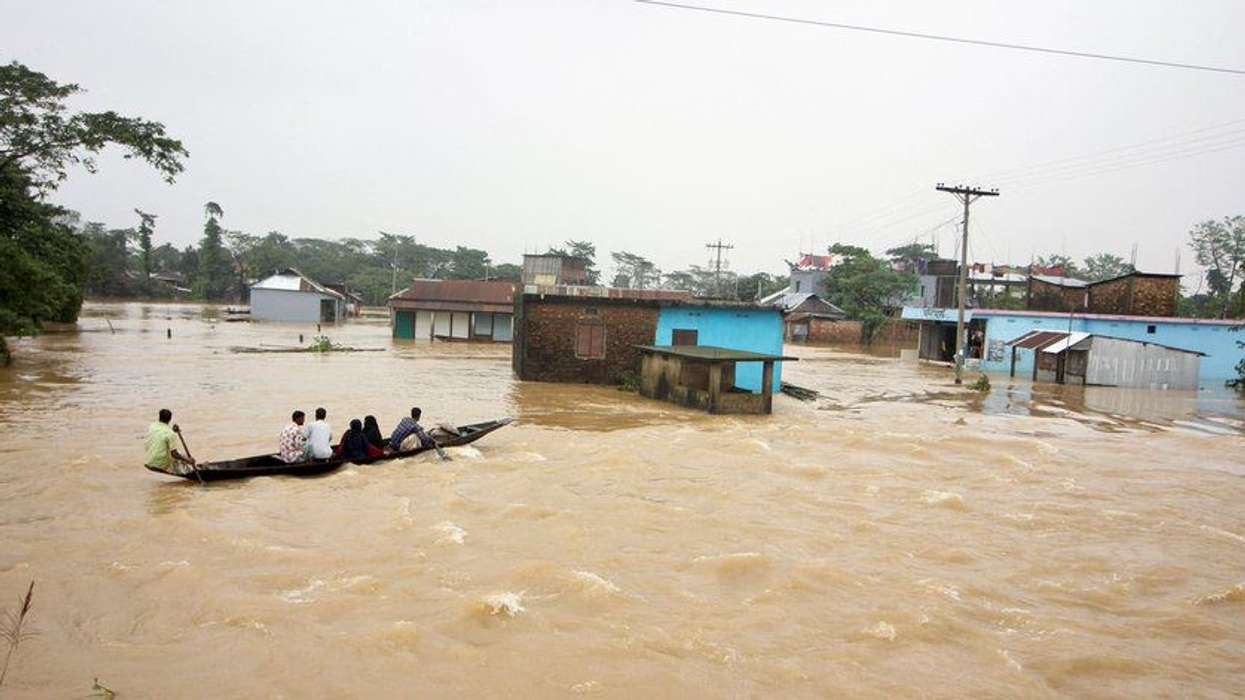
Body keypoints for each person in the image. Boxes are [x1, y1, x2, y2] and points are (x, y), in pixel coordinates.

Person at [145, 408, 195, 474]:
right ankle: (187, 473)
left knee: (180, 456)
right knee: (182, 457)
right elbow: (174, 454)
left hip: (149, 460)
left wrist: (172, 430)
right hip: (160, 463)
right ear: (170, 419)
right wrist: (188, 460)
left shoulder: (152, 426)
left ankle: (187, 470)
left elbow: (162, 433)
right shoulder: (171, 434)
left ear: (159, 417)